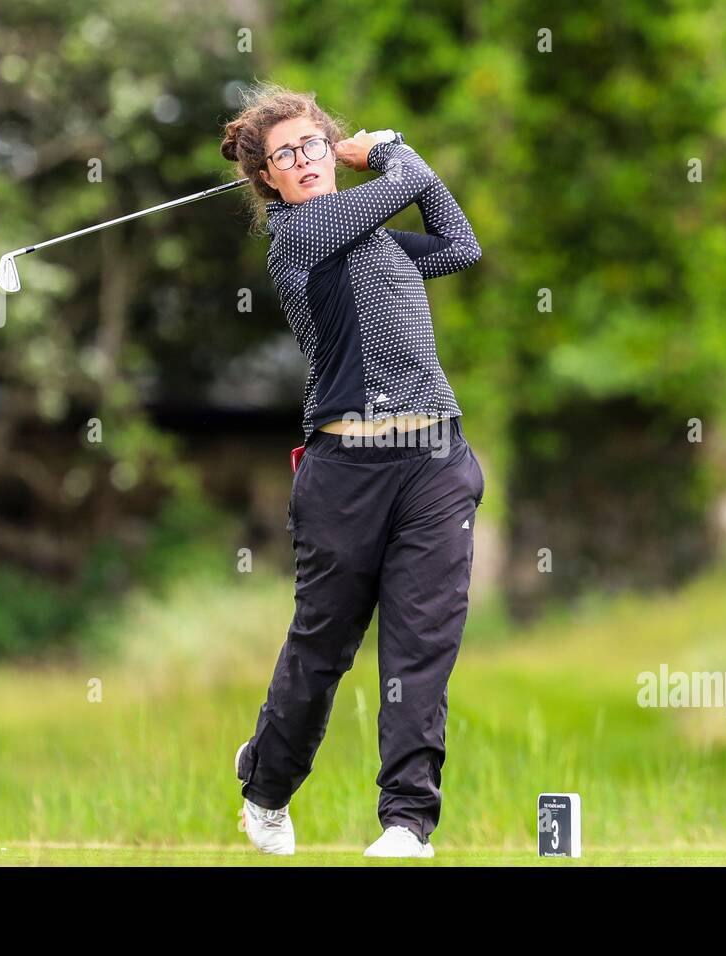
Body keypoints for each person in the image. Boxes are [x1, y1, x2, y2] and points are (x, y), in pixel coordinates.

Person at [220, 82, 485, 858]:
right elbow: (405, 183)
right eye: (285, 156)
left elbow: (463, 244)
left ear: (326, 150)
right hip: (347, 471)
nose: (303, 162)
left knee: (422, 646)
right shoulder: (298, 238)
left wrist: (398, 164)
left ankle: (407, 823)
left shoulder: (377, 238)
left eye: (311, 145)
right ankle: (266, 784)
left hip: (435, 462)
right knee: (323, 645)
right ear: (268, 178)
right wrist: (392, 151)